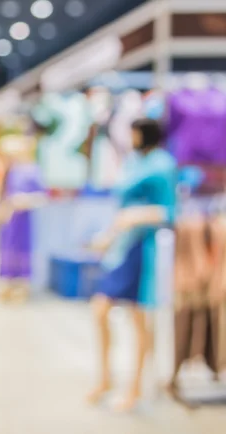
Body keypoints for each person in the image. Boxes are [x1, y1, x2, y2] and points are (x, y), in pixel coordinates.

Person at [87, 119, 177, 412]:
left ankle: (135, 388)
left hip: (144, 249)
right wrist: (110, 235)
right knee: (100, 310)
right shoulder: (133, 161)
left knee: (140, 321)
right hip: (122, 247)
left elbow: (169, 211)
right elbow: (122, 208)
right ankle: (105, 378)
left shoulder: (163, 164)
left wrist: (137, 216)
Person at [0, 136, 46, 302]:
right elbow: (6, 193)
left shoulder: (33, 170)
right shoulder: (12, 170)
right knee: (7, 250)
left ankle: (22, 286)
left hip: (24, 219)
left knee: (23, 251)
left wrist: (26, 200)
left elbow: (42, 196)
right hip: (10, 219)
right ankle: (8, 283)